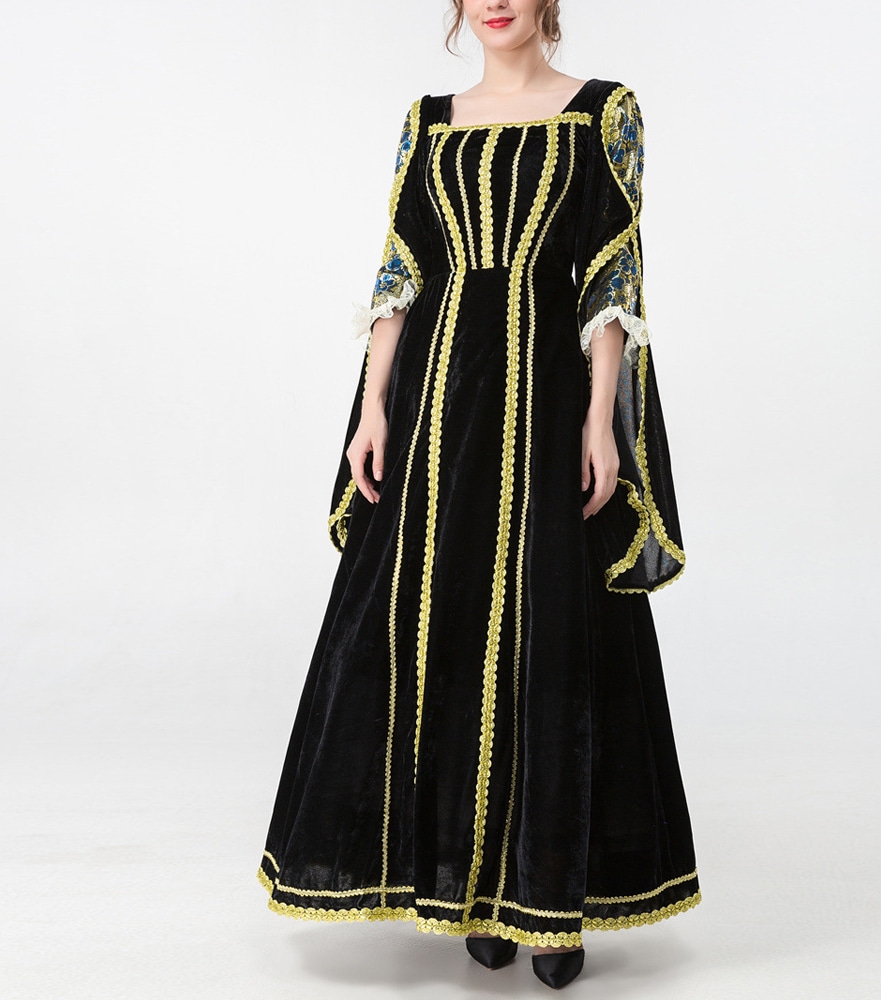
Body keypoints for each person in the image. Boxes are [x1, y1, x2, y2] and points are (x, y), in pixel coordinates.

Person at [257, 0, 700, 989]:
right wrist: (373, 406)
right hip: (437, 409)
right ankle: (464, 888)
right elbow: (402, 268)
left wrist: (601, 418)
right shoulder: (427, 121)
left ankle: (546, 899)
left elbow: (611, 272)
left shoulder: (604, 111)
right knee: (439, 632)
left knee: (550, 634)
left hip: (546, 400)